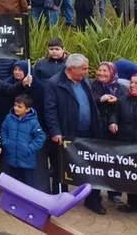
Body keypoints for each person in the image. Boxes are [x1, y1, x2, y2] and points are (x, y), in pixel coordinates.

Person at [44, 54, 105, 212]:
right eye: (83, 68)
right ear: (71, 69)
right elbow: (50, 110)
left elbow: (91, 104)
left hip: (88, 133)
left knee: (91, 168)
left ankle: (92, 200)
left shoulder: (84, 81)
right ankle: (60, 199)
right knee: (61, 169)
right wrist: (55, 131)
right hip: (65, 134)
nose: (87, 71)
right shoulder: (54, 84)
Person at [1, 94, 46, 189]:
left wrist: (29, 149)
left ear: (27, 109)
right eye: (15, 105)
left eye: (19, 106)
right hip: (11, 160)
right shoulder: (9, 118)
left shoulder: (33, 122)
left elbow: (41, 137)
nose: (16, 108)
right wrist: (6, 143)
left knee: (26, 187)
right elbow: (3, 130)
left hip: (27, 162)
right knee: (13, 185)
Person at [108, 74, 137, 213]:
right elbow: (115, 114)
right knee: (130, 174)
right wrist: (113, 122)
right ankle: (132, 204)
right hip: (124, 143)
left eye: (136, 83)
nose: (132, 85)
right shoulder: (122, 100)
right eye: (131, 82)